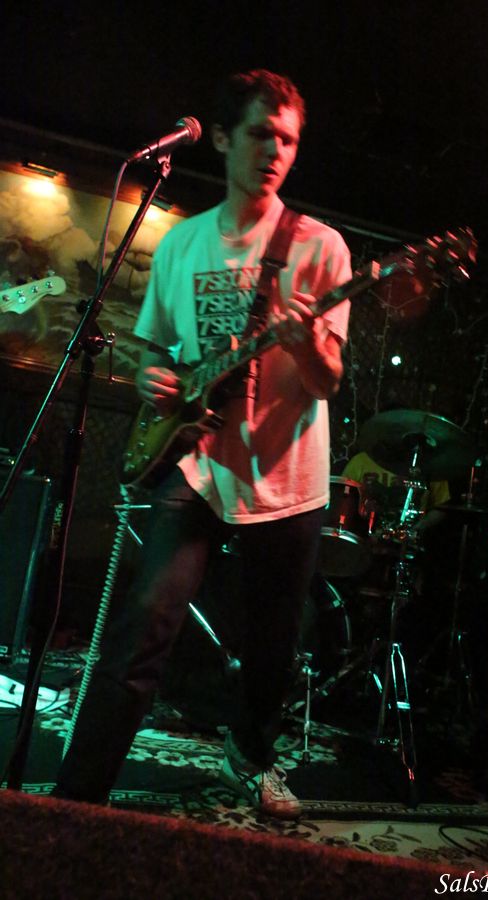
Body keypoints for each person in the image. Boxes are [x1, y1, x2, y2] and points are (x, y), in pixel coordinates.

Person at [52, 69, 352, 819]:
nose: (276, 151)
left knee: (273, 645)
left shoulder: (320, 247)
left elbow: (326, 382)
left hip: (288, 474)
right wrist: (152, 377)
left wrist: (306, 338)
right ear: (221, 138)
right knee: (144, 621)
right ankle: (77, 796)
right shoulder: (183, 243)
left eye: (289, 140)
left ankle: (250, 755)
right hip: (197, 463)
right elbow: (154, 348)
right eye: (261, 134)